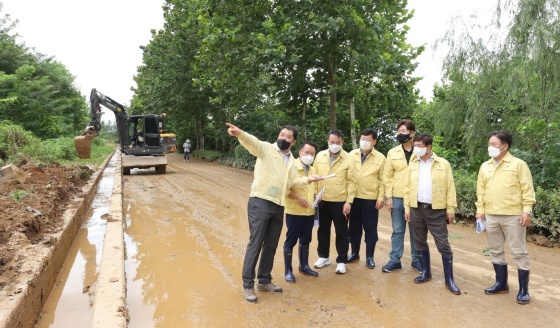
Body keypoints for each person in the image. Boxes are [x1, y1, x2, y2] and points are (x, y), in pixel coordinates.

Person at [226, 123, 323, 303]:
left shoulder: (292, 161)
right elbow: (252, 142)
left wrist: (310, 179)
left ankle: (264, 280)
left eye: (288, 137)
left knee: (271, 244)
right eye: (281, 134)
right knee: (256, 243)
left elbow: (294, 182)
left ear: (293, 142)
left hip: (279, 205)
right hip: (261, 201)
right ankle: (248, 285)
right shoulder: (267, 149)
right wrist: (240, 133)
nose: (283, 138)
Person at [475, 130, 536, 305]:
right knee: (495, 250)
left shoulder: (518, 165)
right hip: (491, 215)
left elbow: (527, 189)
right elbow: (481, 190)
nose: (490, 147)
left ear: (505, 146)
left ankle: (523, 290)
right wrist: (480, 209)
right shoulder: (485, 166)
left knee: (518, 251)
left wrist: (527, 211)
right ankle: (501, 284)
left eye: (493, 144)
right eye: (489, 144)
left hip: (514, 216)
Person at [404, 133, 461, 295]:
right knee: (419, 241)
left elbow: (450, 187)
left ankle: (449, 280)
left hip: (436, 210)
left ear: (428, 147)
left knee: (443, 243)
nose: (416, 149)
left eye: (420, 146)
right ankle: (425, 273)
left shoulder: (443, 164)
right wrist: (407, 208)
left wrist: (450, 209)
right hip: (416, 209)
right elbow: (407, 187)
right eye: (415, 146)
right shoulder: (413, 163)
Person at [313, 129, 357, 275]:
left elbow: (352, 181)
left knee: (342, 232)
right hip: (322, 200)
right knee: (323, 230)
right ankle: (323, 257)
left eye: (338, 142)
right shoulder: (320, 156)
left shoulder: (349, 158)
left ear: (342, 142)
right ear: (328, 141)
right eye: (332, 142)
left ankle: (341, 261)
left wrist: (348, 202)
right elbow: (314, 176)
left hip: (340, 202)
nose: (334, 145)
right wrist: (315, 193)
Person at [381, 119, 421, 273]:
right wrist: (388, 197)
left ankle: (416, 260)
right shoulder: (393, 152)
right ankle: (395, 260)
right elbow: (387, 176)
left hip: (415, 197)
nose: (400, 134)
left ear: (412, 133)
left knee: (415, 230)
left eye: (403, 131)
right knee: (398, 230)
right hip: (397, 197)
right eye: (398, 131)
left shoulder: (420, 151)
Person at [347, 128, 386, 269]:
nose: (364, 142)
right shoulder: (351, 154)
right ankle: (354, 253)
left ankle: (370, 257)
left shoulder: (381, 158)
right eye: (362, 139)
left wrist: (381, 197)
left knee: (370, 227)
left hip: (370, 197)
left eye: (368, 139)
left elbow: (383, 180)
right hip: (354, 197)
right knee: (354, 227)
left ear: (374, 141)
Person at [283, 142, 320, 283]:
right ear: (300, 153)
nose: (309, 156)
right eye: (307, 152)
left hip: (309, 211)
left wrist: (317, 195)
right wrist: (298, 197)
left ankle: (304, 266)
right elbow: (285, 189)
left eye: (312, 154)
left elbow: (313, 187)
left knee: (306, 240)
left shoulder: (313, 169)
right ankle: (288, 271)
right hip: (294, 211)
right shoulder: (291, 167)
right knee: (291, 241)